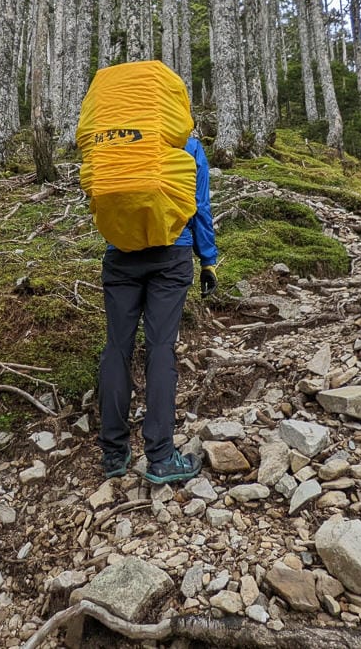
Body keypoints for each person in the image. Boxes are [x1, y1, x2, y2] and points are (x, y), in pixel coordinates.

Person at [98, 134, 217, 484]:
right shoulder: (187, 143)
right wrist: (208, 260)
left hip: (121, 251)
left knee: (117, 347)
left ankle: (113, 455)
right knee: (160, 347)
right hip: (172, 252)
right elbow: (199, 204)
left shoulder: (116, 139)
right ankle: (162, 456)